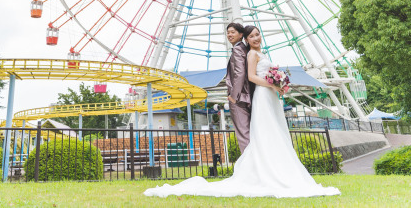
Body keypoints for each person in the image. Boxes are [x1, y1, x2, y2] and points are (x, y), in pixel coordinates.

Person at [144, 25, 340, 198]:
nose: (256, 38)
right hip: (263, 95)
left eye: (257, 34)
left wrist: (278, 85)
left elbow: (251, 75)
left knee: (275, 132)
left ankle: (275, 167)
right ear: (246, 39)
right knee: (264, 131)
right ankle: (261, 170)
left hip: (270, 96)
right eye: (252, 36)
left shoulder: (255, 53)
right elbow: (250, 76)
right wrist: (271, 85)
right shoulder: (250, 54)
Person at [224, 21, 253, 152]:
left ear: (241, 34)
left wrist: (233, 96)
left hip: (239, 97)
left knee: (243, 133)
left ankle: (249, 166)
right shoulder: (245, 49)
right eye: (228, 32)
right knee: (250, 132)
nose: (229, 35)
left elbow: (239, 73)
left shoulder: (237, 49)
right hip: (248, 95)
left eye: (233, 32)